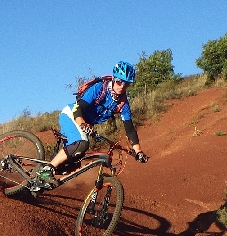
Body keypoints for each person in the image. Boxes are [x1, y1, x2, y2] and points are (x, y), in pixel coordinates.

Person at [36, 60, 148, 188]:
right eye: (119, 81)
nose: (122, 86)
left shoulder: (123, 104)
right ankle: (45, 171)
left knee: (74, 162)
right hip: (72, 115)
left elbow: (130, 129)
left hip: (85, 124)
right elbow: (79, 108)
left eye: (127, 84)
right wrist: (82, 123)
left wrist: (138, 152)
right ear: (113, 78)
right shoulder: (100, 88)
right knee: (81, 143)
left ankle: (38, 183)